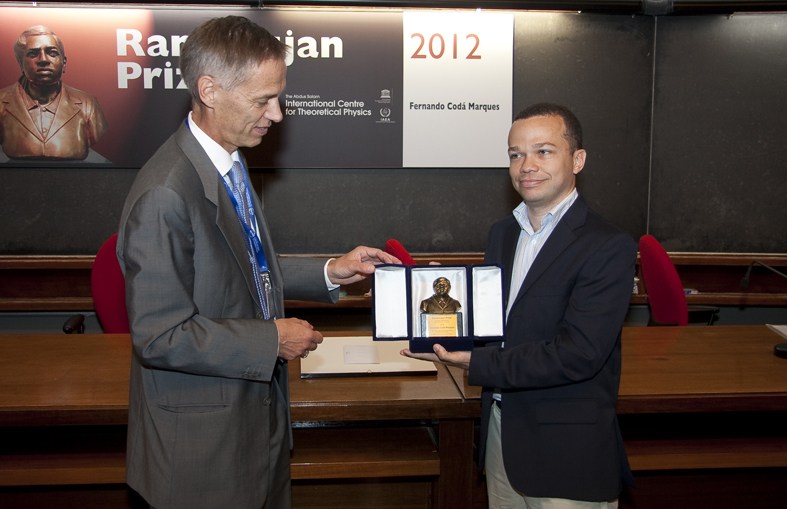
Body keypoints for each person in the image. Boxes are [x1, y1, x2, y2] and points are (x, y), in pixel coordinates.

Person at [116, 16, 398, 509]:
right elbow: (160, 336)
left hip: (252, 435)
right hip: (201, 459)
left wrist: (332, 271)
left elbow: (242, 270)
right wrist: (273, 339)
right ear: (209, 90)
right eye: (263, 99)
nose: (279, 113)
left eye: (279, 96)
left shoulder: (229, 159)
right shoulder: (166, 192)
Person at [403, 103, 636, 508]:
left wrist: (476, 364)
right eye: (516, 154)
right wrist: (441, 326)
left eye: (544, 151)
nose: (527, 164)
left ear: (577, 159)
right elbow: (498, 325)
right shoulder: (503, 233)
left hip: (566, 450)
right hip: (501, 433)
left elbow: (579, 355)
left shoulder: (608, 245)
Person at [0, 25, 108, 161]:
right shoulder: (2, 101)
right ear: (20, 63)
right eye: (33, 54)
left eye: (52, 53)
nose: (43, 60)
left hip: (74, 177)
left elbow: (101, 140)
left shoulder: (87, 103)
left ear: (64, 62)